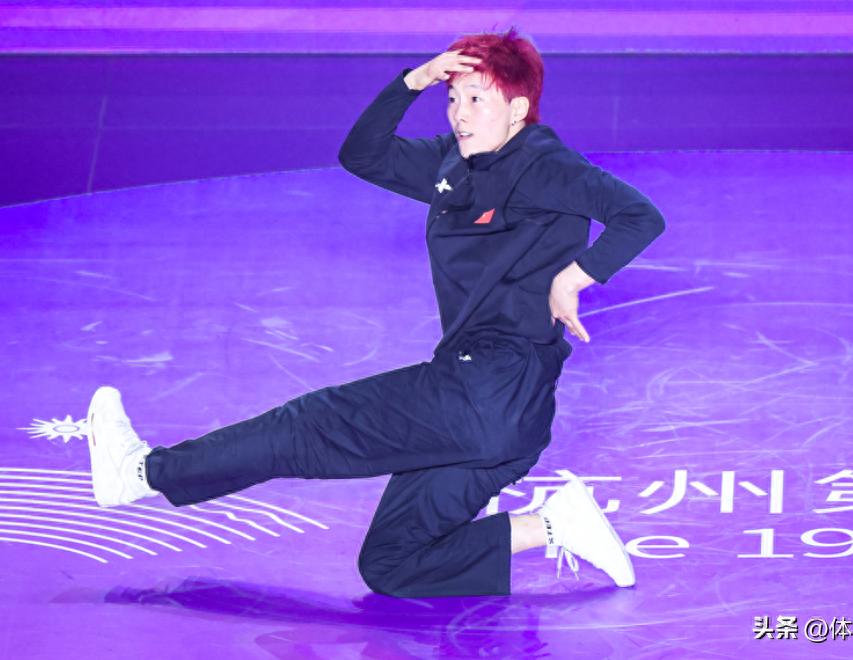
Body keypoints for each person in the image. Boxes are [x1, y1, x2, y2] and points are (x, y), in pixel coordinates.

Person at [86, 28, 665, 598]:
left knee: (303, 428)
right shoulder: (454, 162)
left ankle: (140, 474)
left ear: (517, 109)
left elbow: (639, 216)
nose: (460, 114)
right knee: (392, 563)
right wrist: (413, 82)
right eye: (452, 98)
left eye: (476, 99)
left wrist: (573, 277)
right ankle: (553, 524)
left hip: (488, 385)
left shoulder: (543, 163)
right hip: (504, 417)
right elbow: (362, 154)